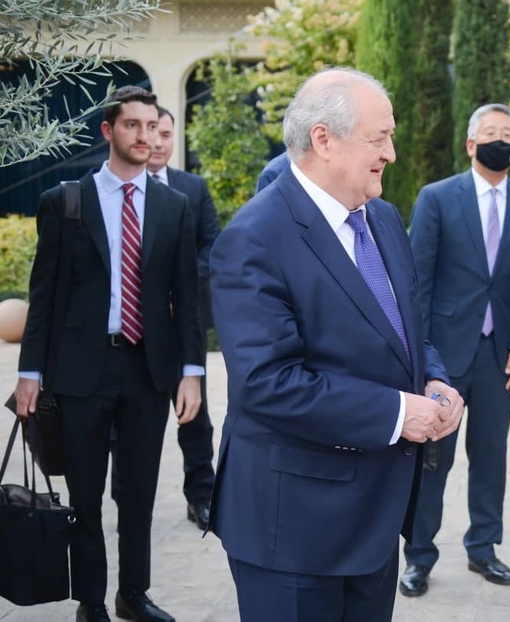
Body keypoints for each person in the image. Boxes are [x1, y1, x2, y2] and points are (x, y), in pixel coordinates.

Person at [208, 67, 464, 622]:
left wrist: (434, 379)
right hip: (294, 530)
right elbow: (267, 384)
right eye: (380, 138)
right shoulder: (253, 239)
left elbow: (406, 330)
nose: (391, 153)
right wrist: (399, 413)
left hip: (374, 520)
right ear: (323, 139)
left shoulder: (384, 219)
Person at [13, 85, 204, 622]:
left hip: (148, 369)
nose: (145, 136)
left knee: (139, 492)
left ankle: (133, 595)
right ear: (108, 131)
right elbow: (43, 296)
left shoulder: (174, 206)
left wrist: (192, 372)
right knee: (86, 495)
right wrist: (30, 371)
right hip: (80, 369)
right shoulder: (65, 201)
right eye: (132, 125)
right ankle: (92, 601)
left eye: (152, 127)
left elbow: (187, 296)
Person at [400, 104, 510, 596]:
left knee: (490, 456)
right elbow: (417, 283)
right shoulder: (438, 198)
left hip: (499, 356)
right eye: (490, 133)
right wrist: (421, 357)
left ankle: (483, 548)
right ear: (470, 144)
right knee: (432, 459)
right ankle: (418, 556)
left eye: (507, 134)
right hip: (442, 357)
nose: (498, 140)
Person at [145, 106, 221, 529]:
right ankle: (127, 496)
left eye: (166, 133)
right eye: (152, 131)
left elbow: (213, 245)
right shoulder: (121, 191)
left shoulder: (193, 187)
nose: (159, 142)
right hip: (136, 329)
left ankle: (201, 496)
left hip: (183, 325)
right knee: (131, 418)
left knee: (195, 414)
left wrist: (181, 288)